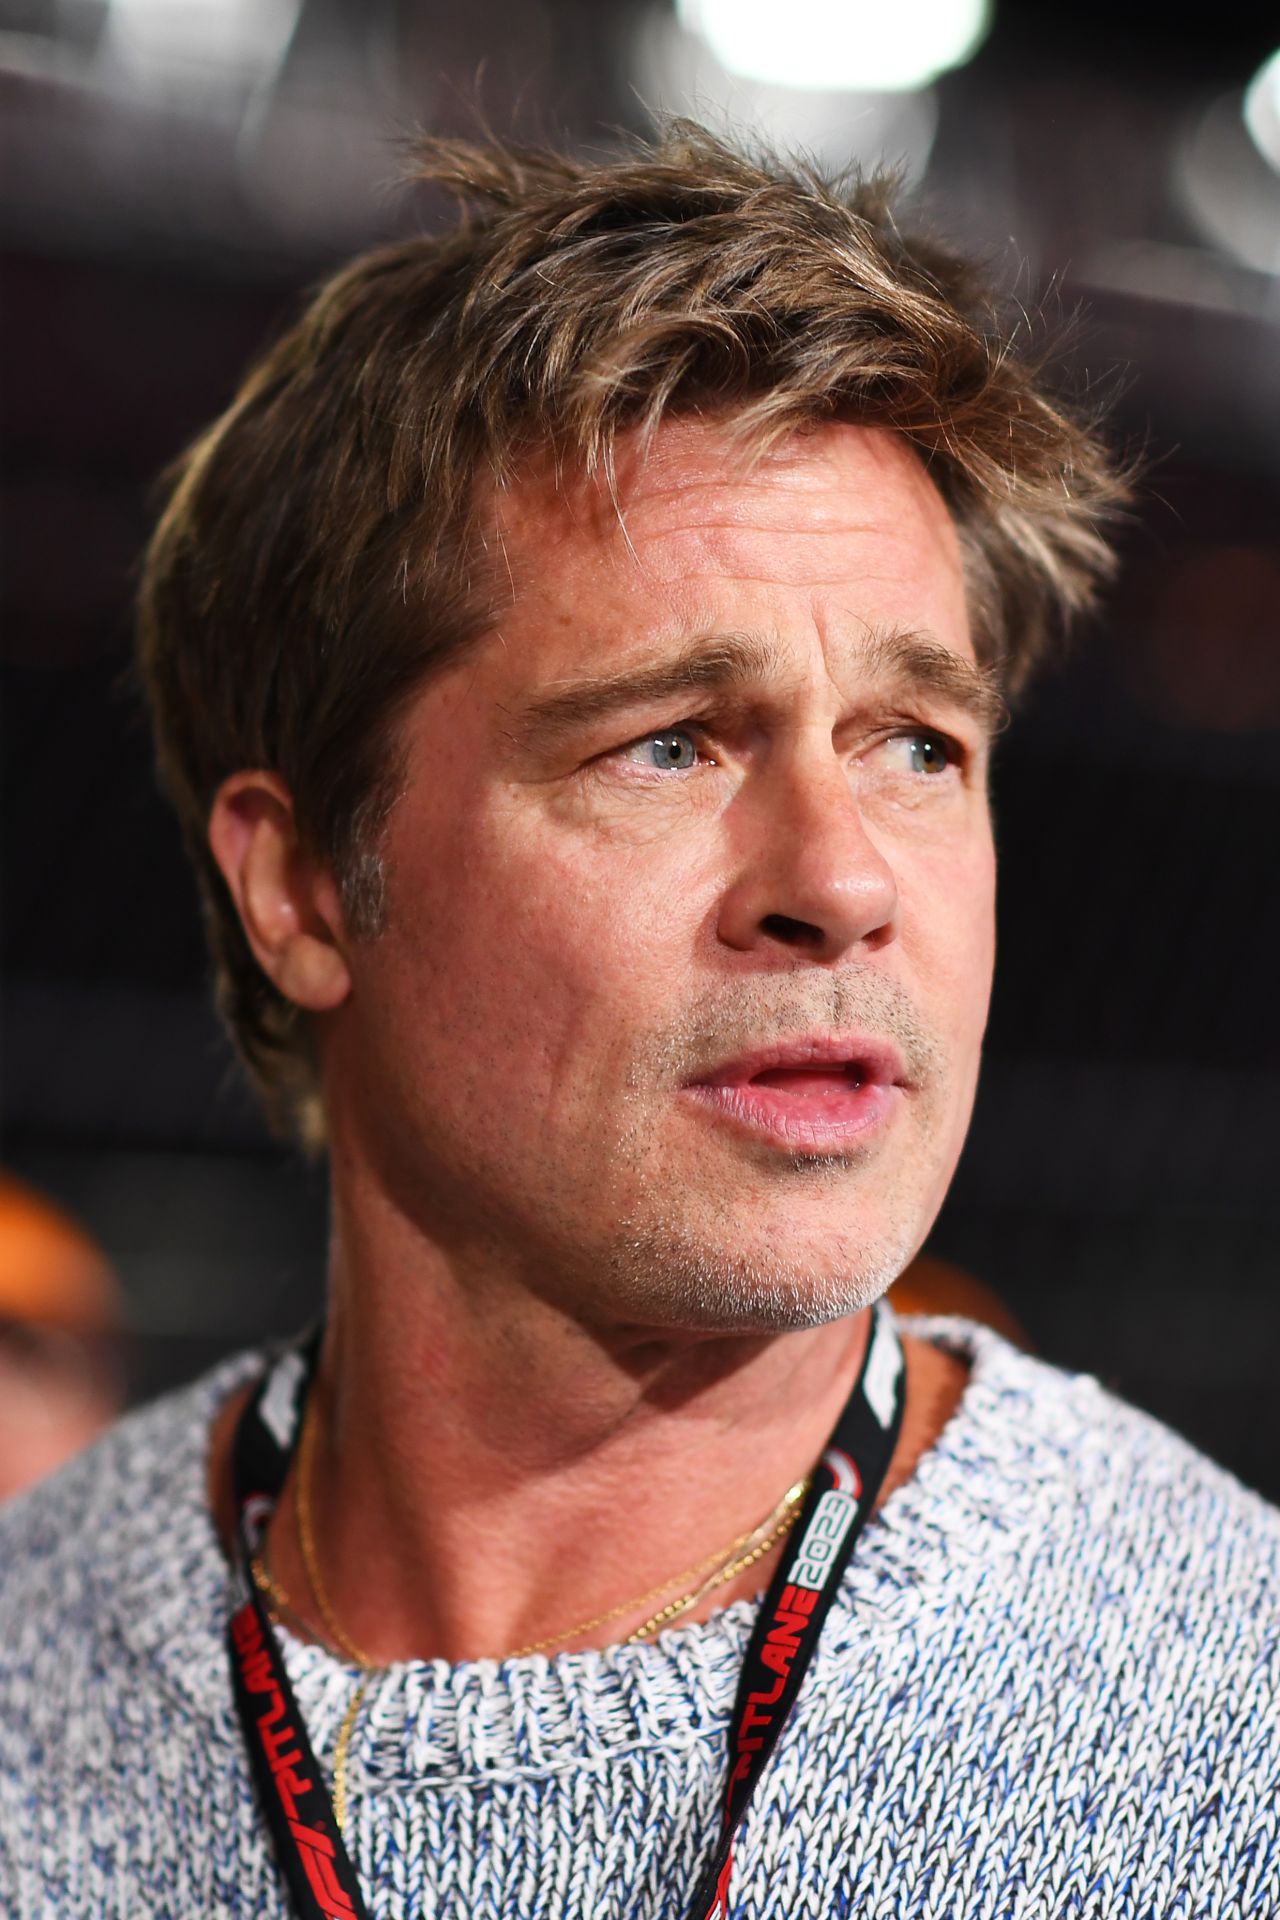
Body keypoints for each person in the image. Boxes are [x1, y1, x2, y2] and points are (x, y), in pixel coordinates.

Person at [1, 124, 1276, 1920]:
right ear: (300, 889)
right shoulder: (26, 1671)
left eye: (919, 746)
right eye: (668, 742)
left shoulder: (1235, 1727)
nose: (841, 880)